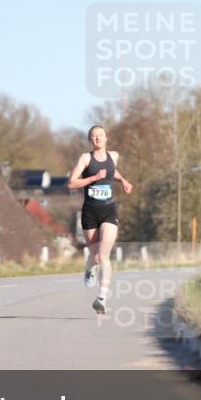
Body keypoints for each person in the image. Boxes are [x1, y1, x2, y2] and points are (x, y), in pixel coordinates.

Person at [67, 125, 133, 314]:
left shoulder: (114, 156)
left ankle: (102, 298)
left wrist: (124, 181)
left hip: (108, 212)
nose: (97, 139)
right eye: (94, 136)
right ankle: (89, 269)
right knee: (95, 257)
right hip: (90, 212)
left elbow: (113, 172)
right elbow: (72, 183)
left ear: (106, 138)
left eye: (100, 135)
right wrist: (94, 177)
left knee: (103, 256)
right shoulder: (86, 158)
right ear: (90, 140)